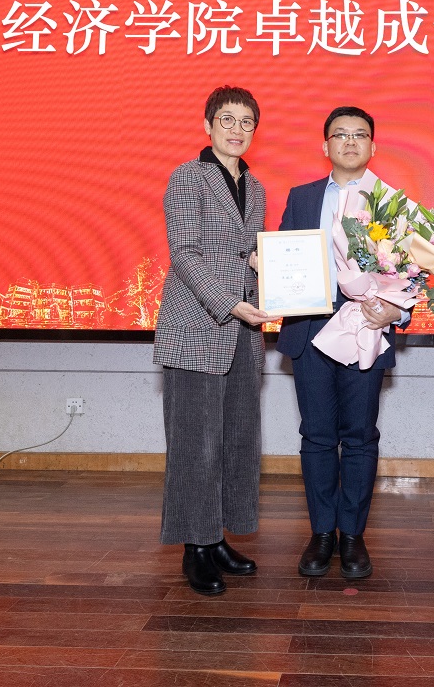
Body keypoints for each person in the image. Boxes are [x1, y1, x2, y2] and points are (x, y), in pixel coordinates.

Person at [153, 86, 280, 596]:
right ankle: (195, 548)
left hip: (244, 333)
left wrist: (269, 274)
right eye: (227, 119)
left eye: (247, 122)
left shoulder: (257, 187)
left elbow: (251, 254)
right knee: (196, 444)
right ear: (207, 126)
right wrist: (229, 303)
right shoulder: (188, 177)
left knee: (236, 439)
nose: (237, 130)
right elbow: (183, 253)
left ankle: (218, 537)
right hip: (197, 326)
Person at [275, 106, 406, 580]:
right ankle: (321, 533)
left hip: (365, 328)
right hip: (310, 328)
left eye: (359, 134)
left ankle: (352, 534)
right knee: (316, 435)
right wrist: (265, 268)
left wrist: (395, 311)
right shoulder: (302, 196)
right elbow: (285, 257)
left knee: (360, 436)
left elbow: (411, 273)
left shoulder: (393, 202)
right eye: (340, 134)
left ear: (373, 146)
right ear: (325, 145)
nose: (350, 141)